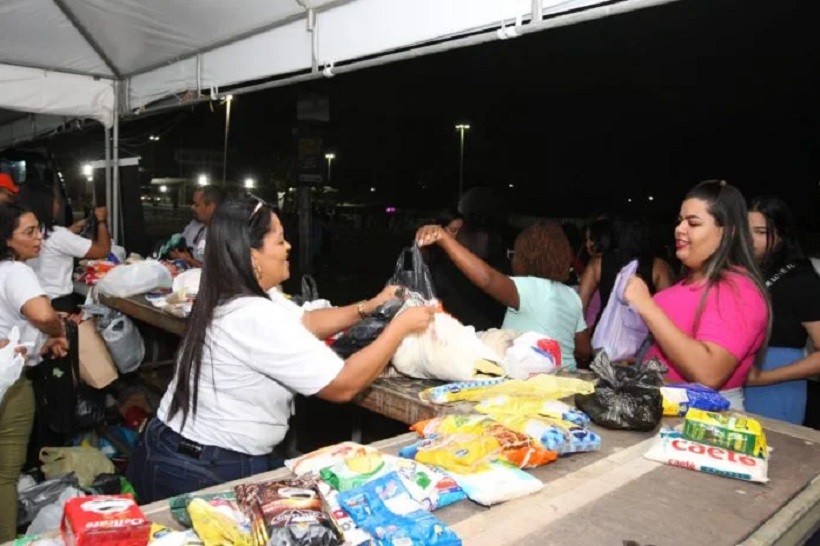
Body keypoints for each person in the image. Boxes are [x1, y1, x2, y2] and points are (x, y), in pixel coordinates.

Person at [126, 197, 435, 503]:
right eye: (280, 241)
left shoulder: (241, 292)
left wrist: (369, 306)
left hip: (182, 453)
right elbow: (343, 385)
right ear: (252, 256)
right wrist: (400, 327)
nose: (288, 247)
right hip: (199, 469)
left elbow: (307, 321)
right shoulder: (251, 313)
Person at [625, 180, 770, 409]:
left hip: (702, 420)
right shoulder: (689, 284)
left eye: (693, 223)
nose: (679, 229)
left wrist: (646, 306)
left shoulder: (738, 289)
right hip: (663, 410)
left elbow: (709, 373)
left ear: (728, 232)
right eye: (680, 221)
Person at [416, 219, 592, 370]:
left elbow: (487, 279)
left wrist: (444, 238)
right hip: (567, 379)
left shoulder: (527, 288)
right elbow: (584, 349)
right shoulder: (571, 295)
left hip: (534, 383)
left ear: (523, 256)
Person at [0, 204, 68, 541]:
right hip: (8, 385)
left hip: (13, 363)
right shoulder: (15, 272)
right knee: (5, 477)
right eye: (29, 232)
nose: (39, 236)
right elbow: (41, 314)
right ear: (7, 241)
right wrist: (57, 330)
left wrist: (39, 347)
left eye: (38, 228)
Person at [743, 196, 820, 424]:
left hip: (777, 386)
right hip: (737, 384)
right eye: (745, 231)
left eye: (760, 232)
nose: (749, 240)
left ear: (781, 234)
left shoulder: (801, 279)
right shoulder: (744, 273)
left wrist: (764, 377)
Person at [20, 182, 111, 312]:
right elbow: (103, 250)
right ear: (46, 205)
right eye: (55, 202)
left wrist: (71, 230)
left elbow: (50, 243)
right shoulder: (58, 235)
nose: (58, 205)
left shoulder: (24, 233)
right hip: (58, 303)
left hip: (34, 301)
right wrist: (102, 220)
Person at [579, 216, 674, 331]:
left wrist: (581, 337)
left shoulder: (598, 262)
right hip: (642, 338)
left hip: (604, 335)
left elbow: (581, 304)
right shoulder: (658, 266)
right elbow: (669, 311)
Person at [169, 185, 225, 268]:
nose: (192, 207)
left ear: (211, 207)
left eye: (197, 205)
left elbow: (219, 273)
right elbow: (178, 247)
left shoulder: (224, 234)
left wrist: (190, 260)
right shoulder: (193, 225)